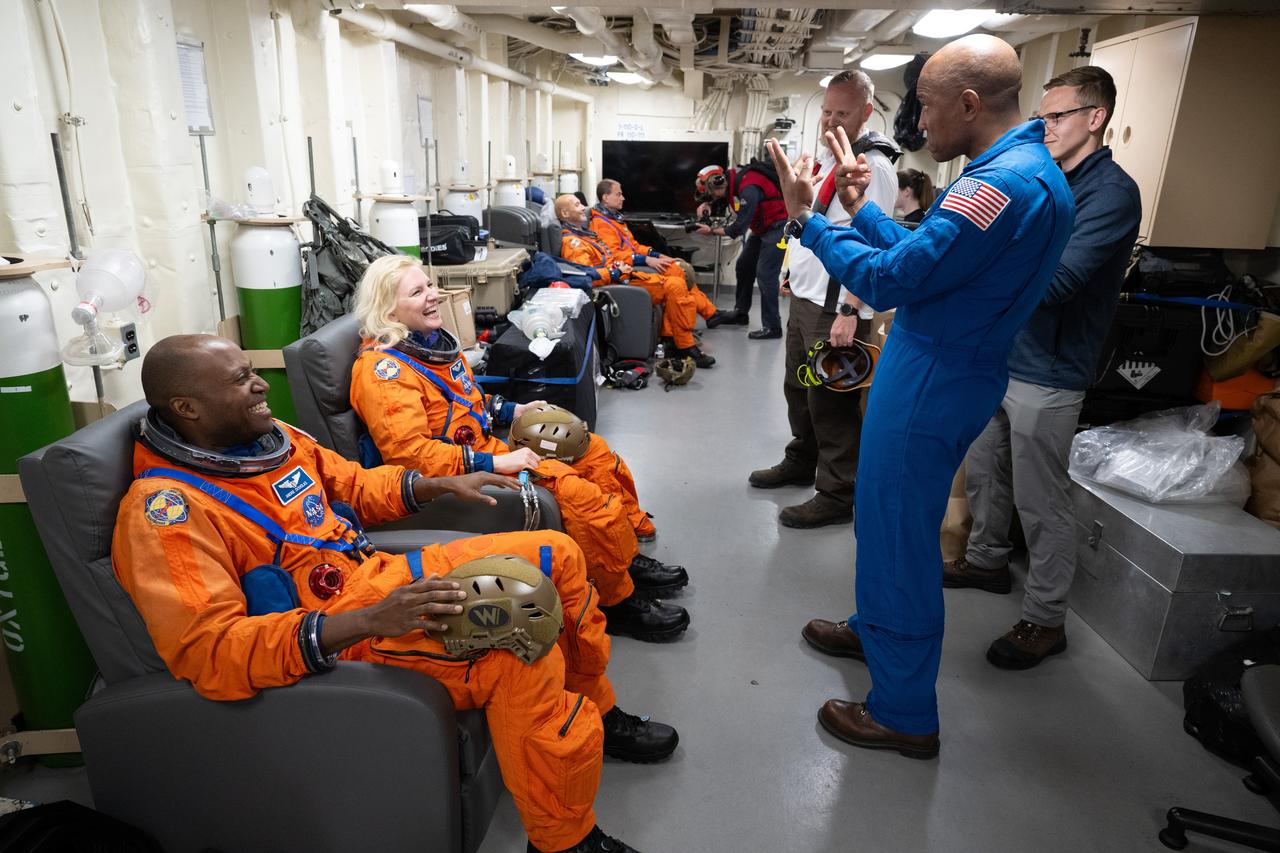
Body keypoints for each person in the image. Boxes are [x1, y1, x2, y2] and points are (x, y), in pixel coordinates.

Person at [113, 334, 675, 853]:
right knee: (516, 639)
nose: (259, 384)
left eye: (248, 371)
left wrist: (440, 482)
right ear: (187, 408)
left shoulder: (275, 442)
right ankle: (564, 843)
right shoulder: (166, 513)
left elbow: (356, 486)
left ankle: (600, 711)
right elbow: (208, 649)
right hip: (339, 631)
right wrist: (370, 620)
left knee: (559, 554)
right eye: (238, 380)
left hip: (377, 576)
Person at [774, 34, 1075, 759]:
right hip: (944, 359)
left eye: (929, 106)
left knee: (902, 534)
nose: (919, 122)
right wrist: (859, 208)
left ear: (971, 104)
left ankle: (904, 709)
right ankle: (876, 629)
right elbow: (929, 256)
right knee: (882, 519)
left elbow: (892, 281)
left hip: (937, 371)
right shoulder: (1024, 170)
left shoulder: (996, 185)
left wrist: (807, 220)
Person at [349, 255, 691, 644]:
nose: (433, 295)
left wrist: (514, 409)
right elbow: (410, 456)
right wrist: (495, 460)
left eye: (429, 285)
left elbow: (469, 401)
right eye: (417, 291)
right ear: (388, 309)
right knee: (575, 490)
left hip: (484, 446)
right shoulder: (383, 373)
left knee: (590, 450)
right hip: (461, 474)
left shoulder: (431, 345)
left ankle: (623, 559)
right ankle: (617, 602)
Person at [947, 66, 1141, 670]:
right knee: (985, 472)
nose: (1045, 126)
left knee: (1042, 499)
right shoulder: (1048, 177)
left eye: (1057, 116)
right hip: (1004, 355)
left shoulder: (1108, 193)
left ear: (1095, 117)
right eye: (1043, 115)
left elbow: (1058, 282)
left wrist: (975, 267)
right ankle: (985, 562)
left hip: (1051, 370)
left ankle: (1045, 618)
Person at [748, 69, 900, 529]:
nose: (831, 120)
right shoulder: (831, 161)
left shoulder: (875, 168)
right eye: (827, 111)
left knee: (832, 401)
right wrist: (793, 272)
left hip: (839, 307)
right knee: (800, 388)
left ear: (867, 112)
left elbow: (875, 244)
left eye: (844, 112)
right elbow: (812, 222)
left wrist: (851, 310)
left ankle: (836, 493)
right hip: (809, 298)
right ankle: (801, 460)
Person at [556, 193, 716, 368]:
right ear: (564, 214)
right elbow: (587, 276)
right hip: (615, 285)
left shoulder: (587, 235)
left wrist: (628, 265)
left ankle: (676, 339)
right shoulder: (573, 243)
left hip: (625, 277)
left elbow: (611, 256)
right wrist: (616, 272)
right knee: (675, 285)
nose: (583, 208)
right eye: (577, 205)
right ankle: (685, 346)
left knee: (677, 278)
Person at [696, 160, 789, 339]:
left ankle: (773, 327)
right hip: (763, 227)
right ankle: (740, 313)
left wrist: (712, 231)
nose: (712, 197)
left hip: (778, 227)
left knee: (765, 274)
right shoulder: (733, 181)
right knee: (744, 265)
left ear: (717, 184)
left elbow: (739, 228)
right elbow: (726, 199)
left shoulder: (748, 187)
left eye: (710, 194)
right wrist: (708, 204)